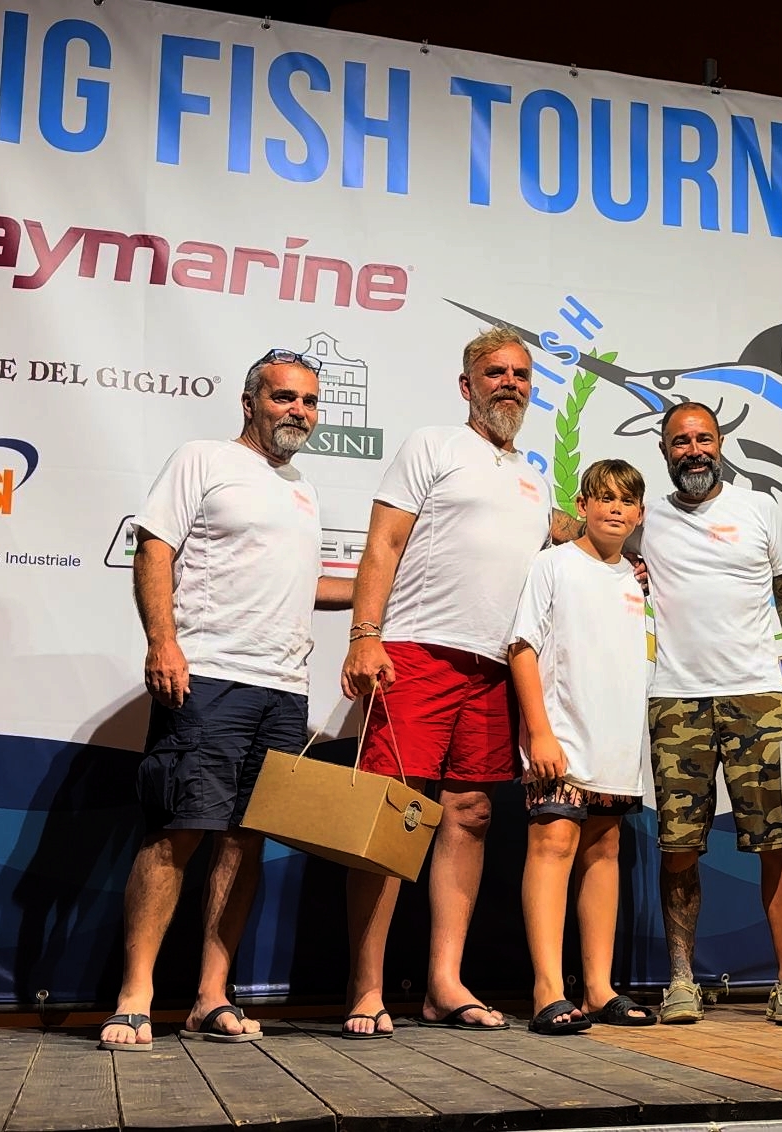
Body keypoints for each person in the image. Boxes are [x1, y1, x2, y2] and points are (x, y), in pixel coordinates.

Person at [99, 349, 353, 1051]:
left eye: (308, 400)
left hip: (285, 691)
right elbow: (154, 548)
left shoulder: (302, 488)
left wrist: (385, 589)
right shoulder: (203, 459)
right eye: (283, 397)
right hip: (208, 677)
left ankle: (211, 996)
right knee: (177, 831)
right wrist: (163, 642)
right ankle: (135, 995)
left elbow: (304, 587)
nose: (298, 411)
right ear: (250, 402)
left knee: (245, 841)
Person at [337, 326, 581, 1038]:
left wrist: (616, 551)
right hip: (417, 651)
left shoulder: (534, 477)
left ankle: (443, 984)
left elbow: (559, 542)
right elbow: (384, 542)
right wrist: (364, 634)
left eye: (522, 375)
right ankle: (366, 985)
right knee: (390, 815)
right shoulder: (432, 445)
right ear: (467, 385)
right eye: (496, 372)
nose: (511, 384)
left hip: (495, 667)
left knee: (470, 814)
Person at [638, 401, 782, 1026]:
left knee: (776, 845)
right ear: (664, 451)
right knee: (678, 846)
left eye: (704, 439)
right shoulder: (644, 517)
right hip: (676, 700)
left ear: (720, 443)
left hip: (756, 697)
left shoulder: (760, 508)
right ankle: (681, 982)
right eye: (681, 441)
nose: (694, 451)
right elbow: (575, 530)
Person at [509, 459, 657, 1035]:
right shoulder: (553, 564)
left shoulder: (636, 580)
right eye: (604, 498)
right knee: (553, 844)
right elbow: (522, 647)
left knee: (604, 850)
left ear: (639, 514)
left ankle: (598, 988)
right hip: (561, 735)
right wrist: (540, 732)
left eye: (626, 501)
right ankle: (548, 988)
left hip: (615, 739)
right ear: (583, 505)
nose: (615, 509)